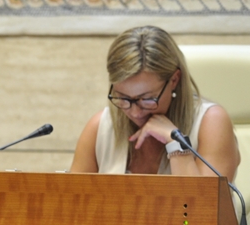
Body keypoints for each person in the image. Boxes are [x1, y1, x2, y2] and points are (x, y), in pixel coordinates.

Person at [70, 25, 240, 177]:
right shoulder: (99, 127)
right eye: (123, 97)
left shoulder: (212, 122)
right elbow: (71, 204)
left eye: (147, 99)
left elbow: (205, 209)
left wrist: (176, 144)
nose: (135, 112)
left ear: (174, 80)